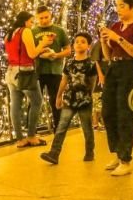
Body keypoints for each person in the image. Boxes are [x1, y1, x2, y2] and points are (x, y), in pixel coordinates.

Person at [99, 0, 133, 176]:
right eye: (117, 5)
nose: (118, 9)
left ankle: (125, 159)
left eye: (122, 5)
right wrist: (104, 41)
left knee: (124, 113)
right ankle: (117, 152)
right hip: (114, 67)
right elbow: (107, 55)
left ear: (132, 6)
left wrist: (118, 38)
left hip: (129, 69)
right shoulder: (116, 26)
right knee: (107, 111)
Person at [41, 32, 97, 164]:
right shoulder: (69, 62)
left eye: (83, 42)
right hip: (69, 98)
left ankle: (89, 151)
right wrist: (59, 96)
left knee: (87, 128)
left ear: (88, 46)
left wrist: (89, 96)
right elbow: (64, 80)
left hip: (84, 100)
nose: (79, 44)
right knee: (62, 126)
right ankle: (54, 153)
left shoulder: (91, 63)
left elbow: (93, 81)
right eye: (77, 42)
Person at [6, 11, 53, 147]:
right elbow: (32, 54)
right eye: (31, 21)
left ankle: (20, 139)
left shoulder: (9, 33)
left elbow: (19, 51)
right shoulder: (25, 31)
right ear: (25, 21)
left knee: (15, 105)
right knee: (37, 101)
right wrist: (43, 43)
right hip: (25, 72)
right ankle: (31, 136)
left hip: (11, 71)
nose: (32, 25)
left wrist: (40, 49)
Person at [32, 5, 71, 130]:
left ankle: (58, 129)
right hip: (37, 71)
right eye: (41, 18)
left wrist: (56, 55)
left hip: (55, 71)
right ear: (36, 18)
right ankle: (31, 131)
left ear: (51, 16)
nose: (44, 20)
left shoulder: (59, 30)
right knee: (34, 101)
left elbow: (68, 50)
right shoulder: (32, 31)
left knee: (56, 100)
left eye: (46, 17)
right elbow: (30, 52)